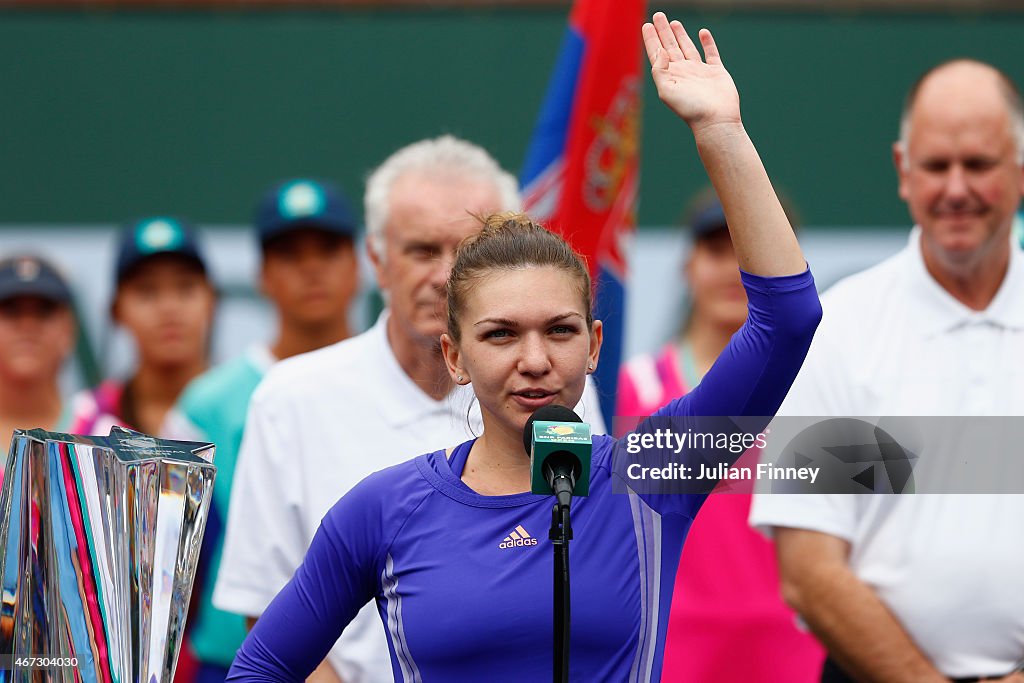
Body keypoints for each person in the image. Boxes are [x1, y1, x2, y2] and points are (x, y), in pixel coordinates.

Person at [224, 13, 820, 681]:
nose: (534, 359)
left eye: (560, 330)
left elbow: (788, 320)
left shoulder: (653, 478)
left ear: (594, 344)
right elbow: (259, 670)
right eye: (500, 333)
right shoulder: (382, 510)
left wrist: (720, 133)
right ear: (455, 356)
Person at [213, 135, 608, 683]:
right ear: (376, 260)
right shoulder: (289, 397)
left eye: (470, 251)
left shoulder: (558, 395)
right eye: (422, 250)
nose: (446, 275)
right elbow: (266, 617)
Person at [750, 59, 1024, 682]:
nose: (956, 188)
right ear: (903, 171)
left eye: (978, 164)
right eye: (935, 165)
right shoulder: (837, 329)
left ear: (1020, 171)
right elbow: (808, 568)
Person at [618, 193, 824, 680]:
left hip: (795, 647)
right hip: (674, 647)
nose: (734, 270)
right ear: (688, 266)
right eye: (716, 251)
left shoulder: (822, 389)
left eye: (747, 252)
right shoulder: (631, 389)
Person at [163, 179, 360, 683]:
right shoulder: (206, 405)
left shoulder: (397, 382)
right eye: (290, 254)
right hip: (238, 665)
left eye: (329, 250)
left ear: (360, 267)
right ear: (263, 275)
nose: (311, 267)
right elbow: (166, 568)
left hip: (375, 661)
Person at [69, 216, 217, 437]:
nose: (169, 308)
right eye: (147, 291)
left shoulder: (246, 407)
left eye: (185, 288)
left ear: (212, 301)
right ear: (116, 311)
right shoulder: (85, 419)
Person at [0, 255, 77, 480]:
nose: (28, 325)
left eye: (44, 312)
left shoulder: (105, 435)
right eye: (11, 311)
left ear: (68, 329)